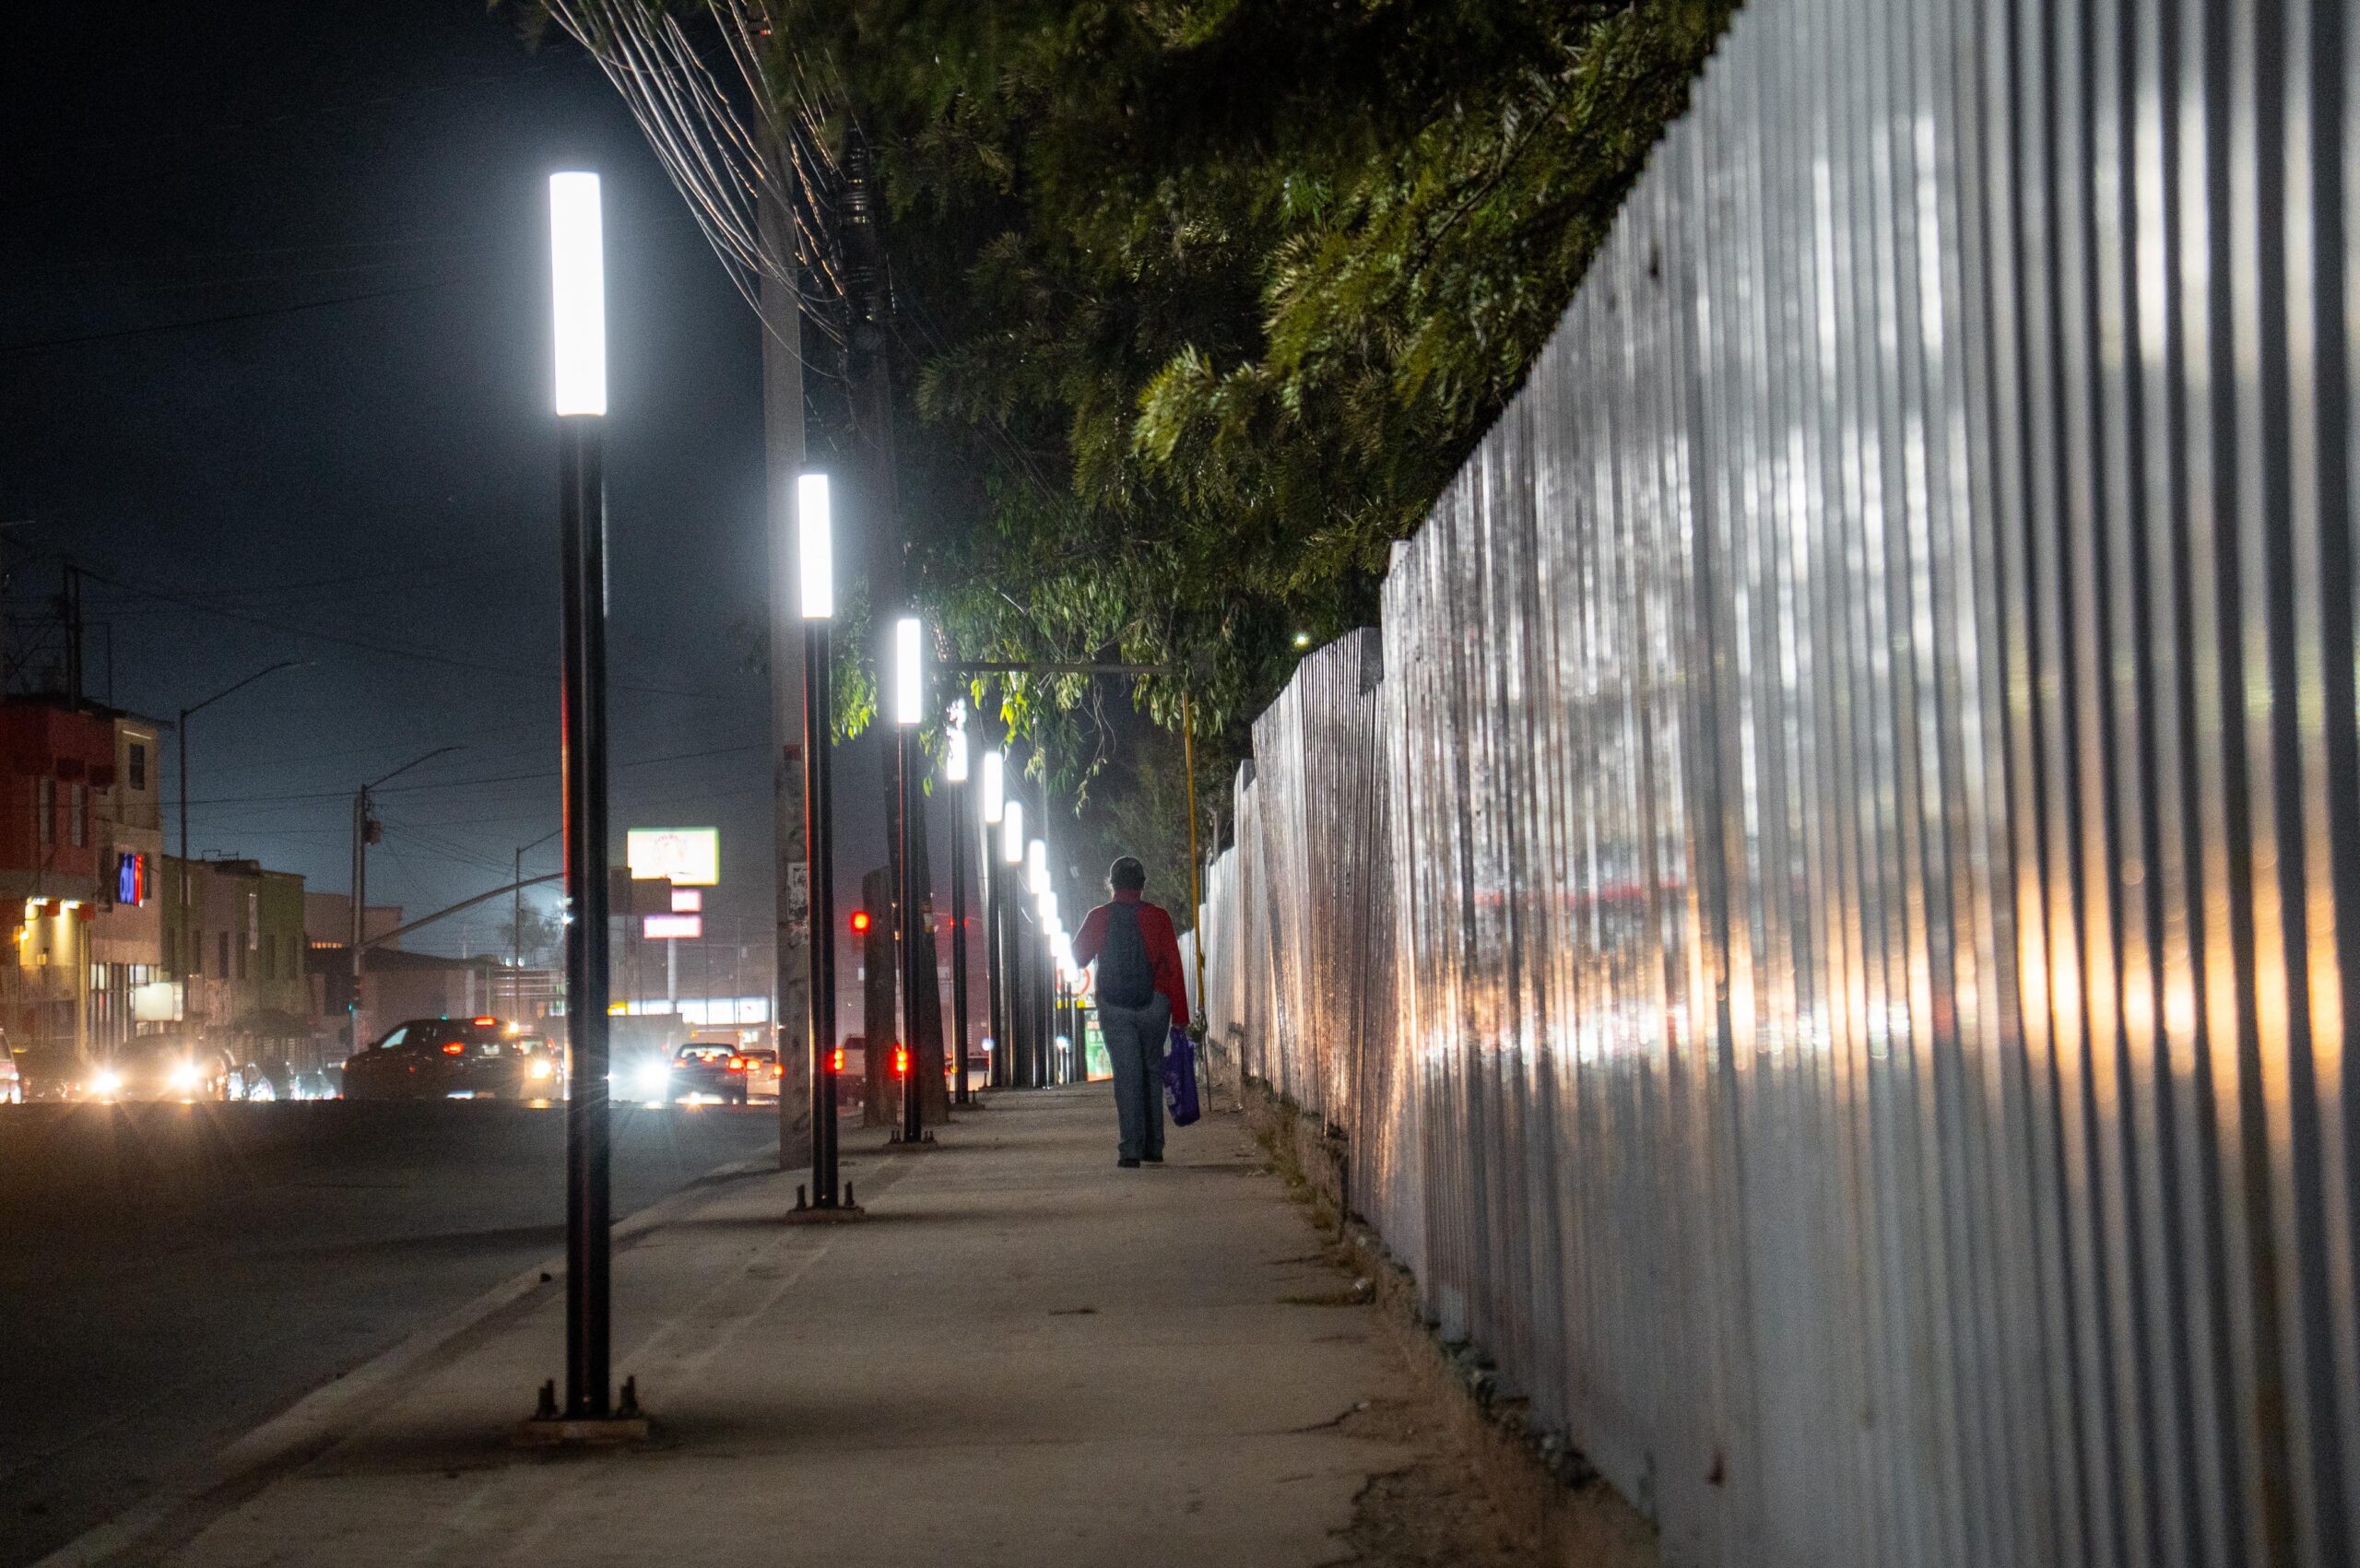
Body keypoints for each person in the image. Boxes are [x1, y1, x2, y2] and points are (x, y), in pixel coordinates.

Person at [1071, 855, 1191, 1168]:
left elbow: (1079, 956)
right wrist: (1180, 1017)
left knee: (1127, 1076)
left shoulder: (1099, 916)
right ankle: (1154, 1146)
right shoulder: (1159, 917)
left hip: (1114, 1007)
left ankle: (1131, 1150)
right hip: (1155, 1005)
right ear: (1142, 885)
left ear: (1112, 884)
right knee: (1151, 1069)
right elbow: (1174, 968)